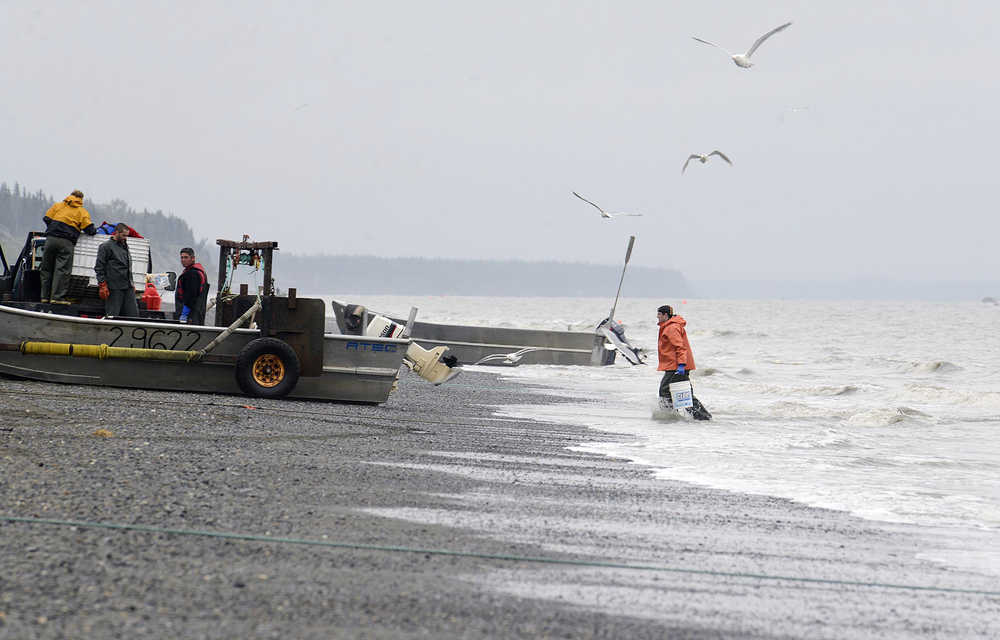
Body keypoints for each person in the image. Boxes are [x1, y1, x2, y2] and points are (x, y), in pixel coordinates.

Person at [40, 190, 96, 304]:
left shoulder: (58, 206)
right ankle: (57, 298)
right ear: (81, 199)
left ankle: (44, 297)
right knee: (62, 270)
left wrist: (55, 228)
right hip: (66, 242)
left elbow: (46, 218)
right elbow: (90, 230)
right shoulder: (82, 211)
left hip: (50, 240)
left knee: (46, 269)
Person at [657, 304, 711, 420]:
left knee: (665, 391)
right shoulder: (670, 326)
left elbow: (680, 347)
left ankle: (670, 416)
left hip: (676, 366)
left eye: (659, 315)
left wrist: (681, 365)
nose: (657, 317)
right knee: (682, 393)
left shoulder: (671, 328)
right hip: (675, 365)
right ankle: (701, 417)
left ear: (666, 315)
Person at [94, 223, 139, 317]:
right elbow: (99, 267)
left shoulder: (125, 246)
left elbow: (127, 267)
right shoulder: (105, 246)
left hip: (128, 287)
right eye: (123, 235)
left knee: (133, 315)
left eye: (127, 236)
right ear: (116, 233)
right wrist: (102, 285)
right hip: (114, 288)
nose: (125, 238)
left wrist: (132, 283)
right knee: (112, 315)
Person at [175, 247, 210, 324]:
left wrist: (184, 314)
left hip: (190, 316)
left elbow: (191, 296)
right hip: (198, 314)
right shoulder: (199, 272)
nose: (183, 260)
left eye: (186, 257)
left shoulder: (192, 274)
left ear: (193, 258)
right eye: (182, 257)